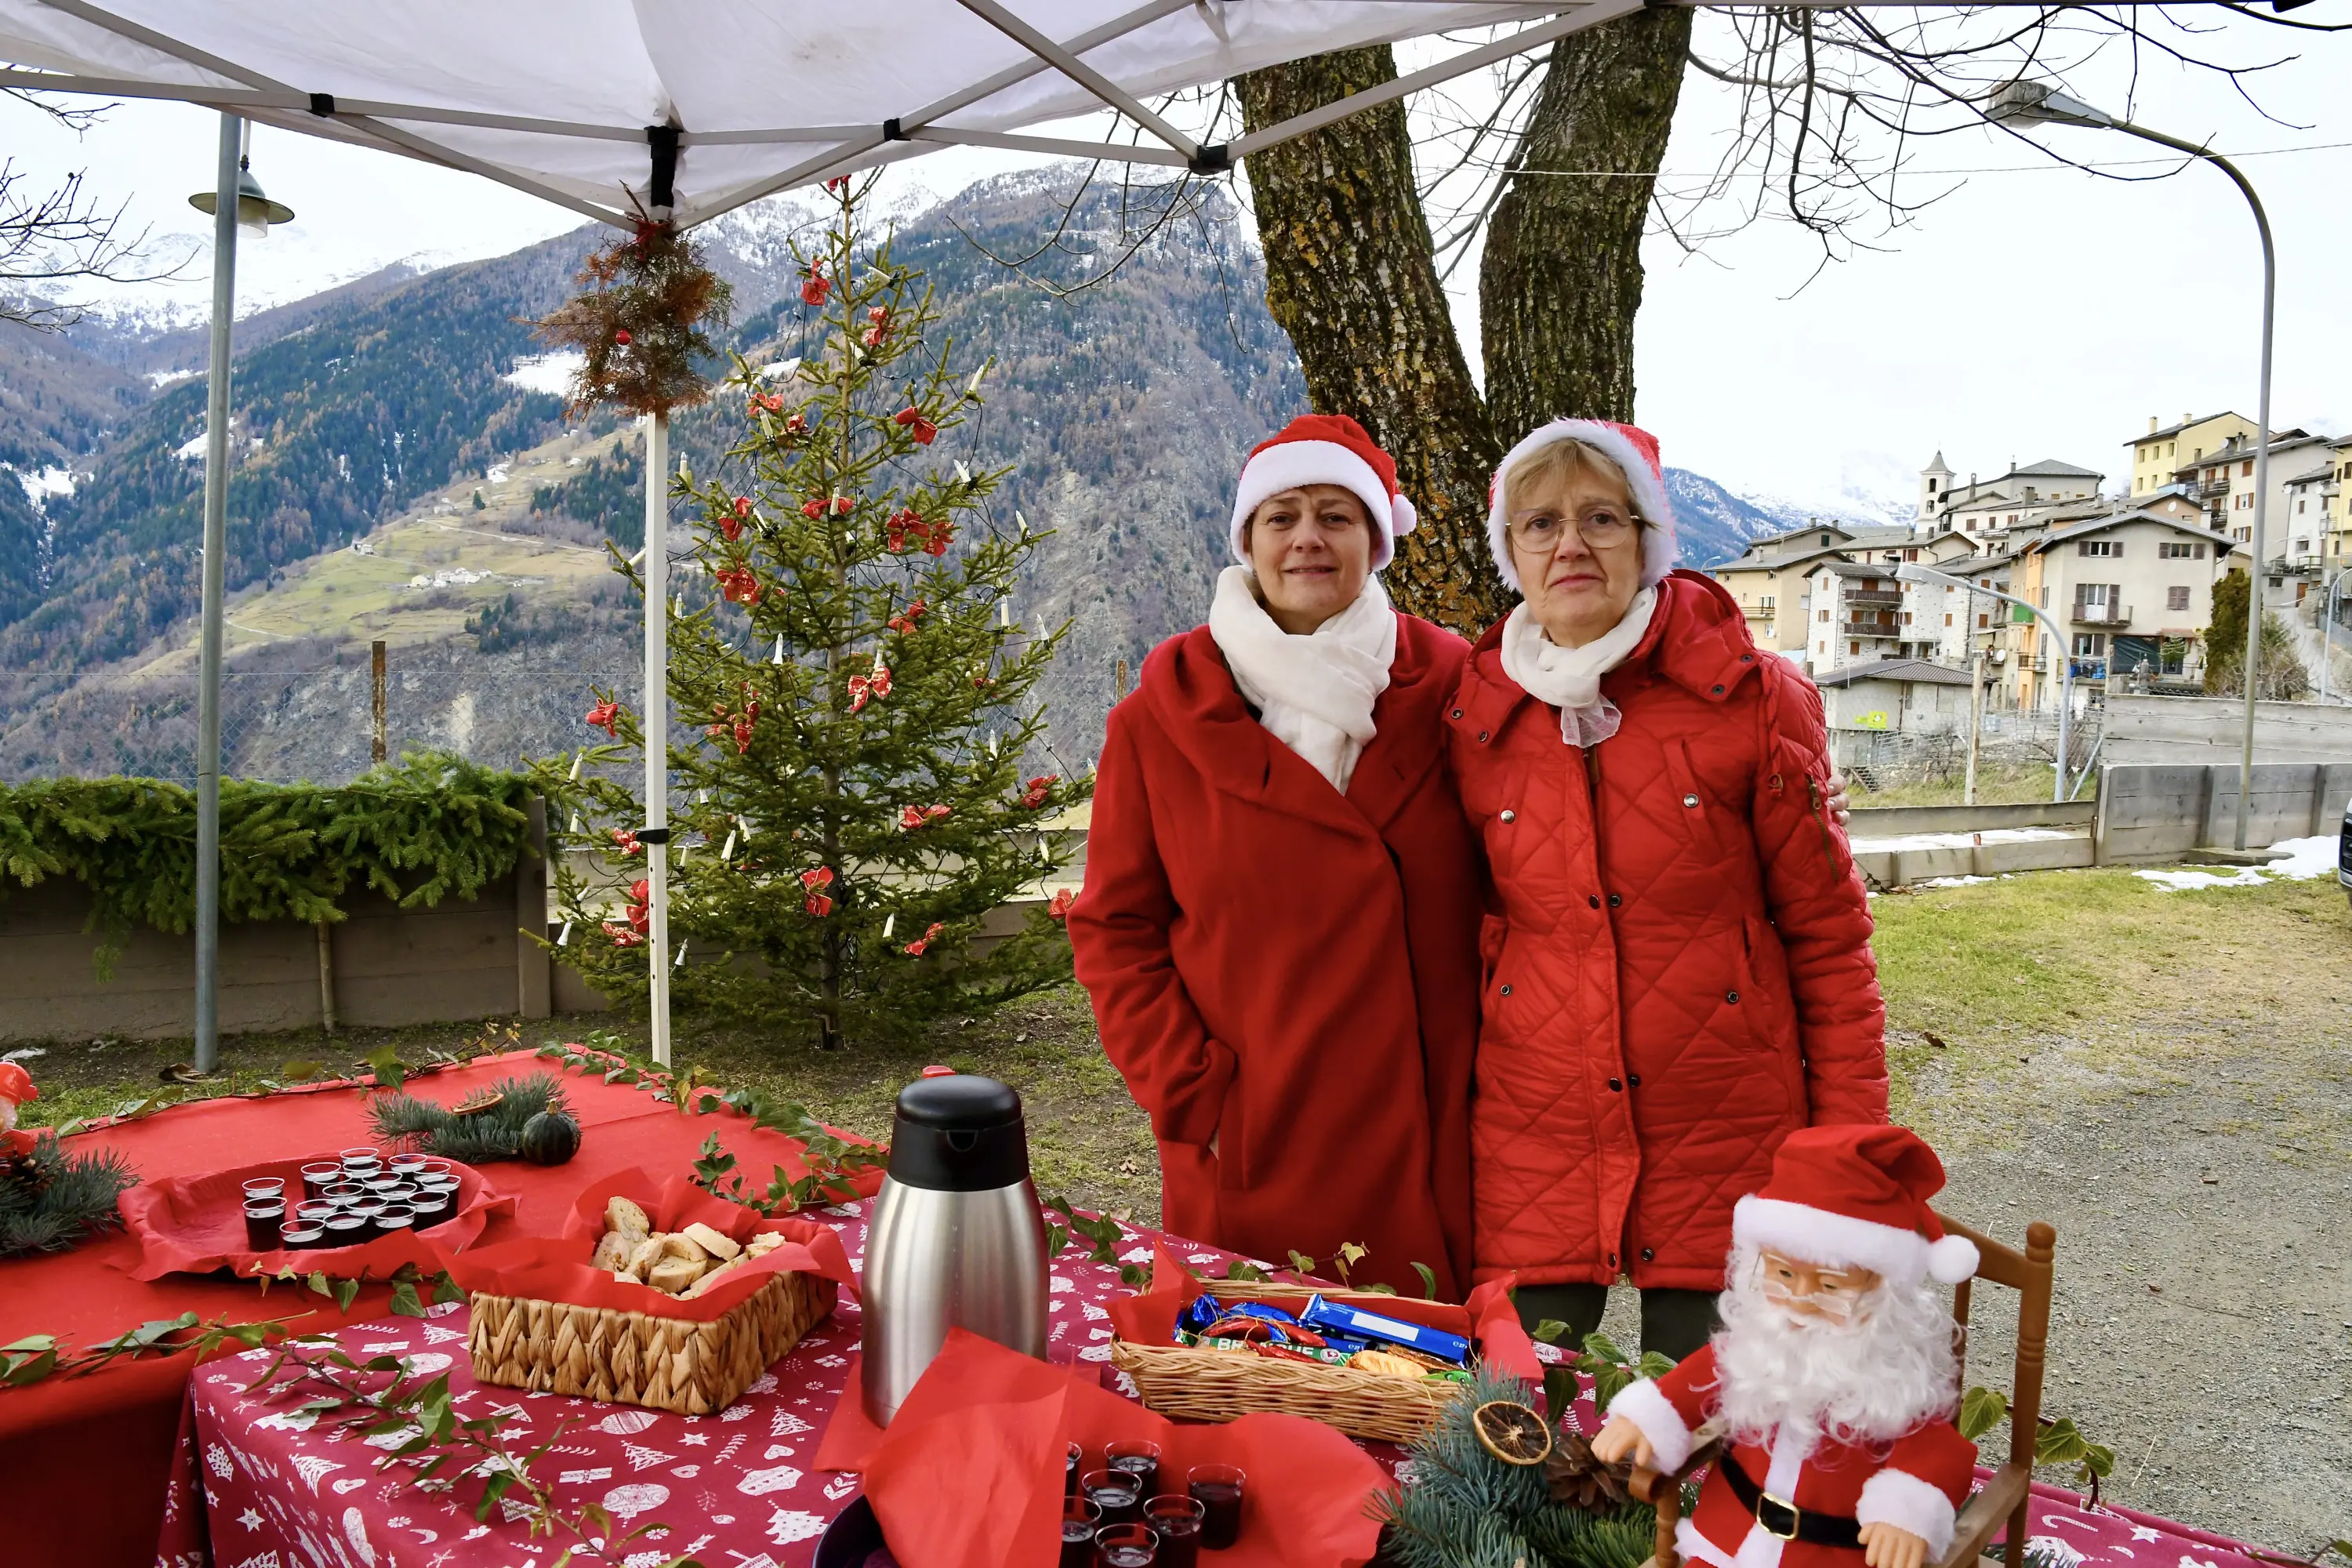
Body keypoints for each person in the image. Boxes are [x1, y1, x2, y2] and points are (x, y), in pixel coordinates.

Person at [1444, 418, 1887, 1359]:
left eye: (1602, 516)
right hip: (1537, 1133)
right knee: (1521, 1437)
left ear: (1647, 539)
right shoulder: (1472, 716)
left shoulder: (1757, 698)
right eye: (1540, 523)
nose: (1570, 543)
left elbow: (1829, 941)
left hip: (1728, 1133)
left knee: (1715, 1441)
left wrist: (1851, 1161)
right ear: (1510, 551)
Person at [1069, 414, 1481, 1298]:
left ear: (1376, 539)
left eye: (1336, 515)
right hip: (1251, 1137)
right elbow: (1115, 927)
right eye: (1281, 515)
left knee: (1420, 1404)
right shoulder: (1160, 717)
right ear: (1247, 541)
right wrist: (1194, 1094)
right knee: (1254, 1398)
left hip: (1431, 1127)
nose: (1307, 538)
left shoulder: (1457, 689)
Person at [1593, 1125, 1980, 1568]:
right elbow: (1697, 1383)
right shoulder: (1758, 1344)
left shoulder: (1894, 1376)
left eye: (1831, 1285)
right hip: (1726, 1538)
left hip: (1830, 1556)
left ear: (1882, 1291)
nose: (1800, 1298)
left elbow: (1939, 1451)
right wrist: (1648, 1418)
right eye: (1783, 1275)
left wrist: (1907, 1514)